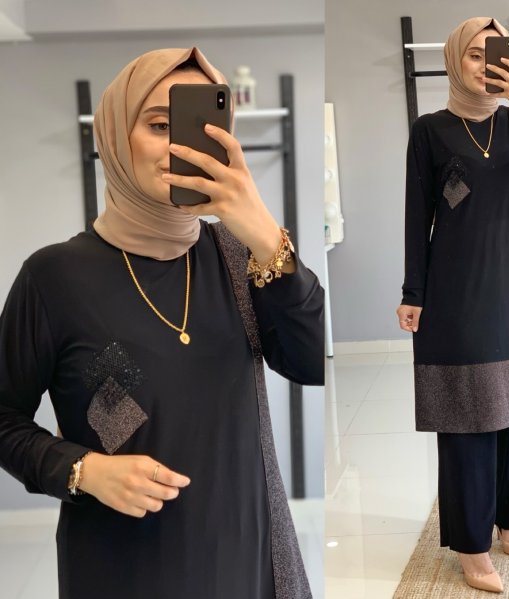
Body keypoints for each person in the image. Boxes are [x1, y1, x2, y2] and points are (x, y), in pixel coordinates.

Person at [0, 47, 323, 599]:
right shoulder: (53, 277)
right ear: (115, 137)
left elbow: (311, 362)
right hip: (122, 567)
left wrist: (266, 234)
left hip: (243, 554)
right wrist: (83, 469)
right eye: (157, 125)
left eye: (198, 125)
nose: (180, 145)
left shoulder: (239, 256)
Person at [396, 17, 509, 594]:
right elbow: (418, 215)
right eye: (473, 54)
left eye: (492, 54)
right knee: (469, 413)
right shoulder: (430, 130)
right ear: (453, 60)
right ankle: (472, 544)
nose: (484, 65)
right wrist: (413, 292)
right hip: (459, 294)